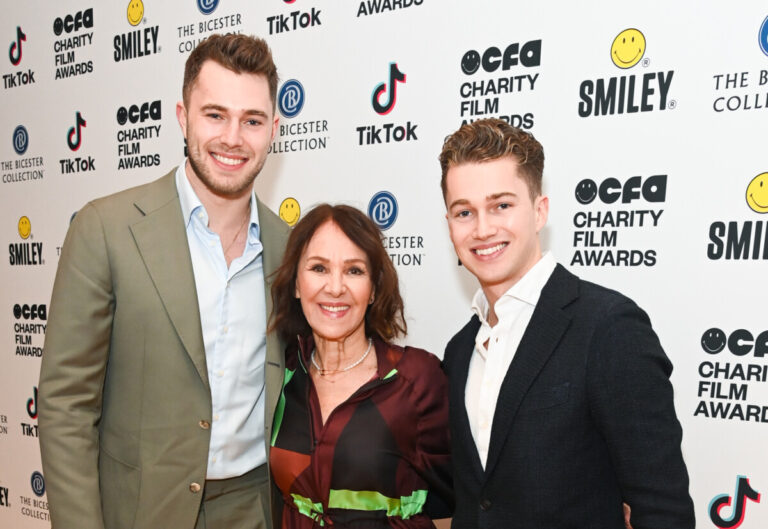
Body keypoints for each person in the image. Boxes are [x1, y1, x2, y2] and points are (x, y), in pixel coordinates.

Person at [38, 34, 289, 529]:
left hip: (256, 510)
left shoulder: (291, 248)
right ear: (182, 116)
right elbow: (65, 405)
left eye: (253, 120)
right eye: (215, 114)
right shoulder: (105, 229)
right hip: (138, 512)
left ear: (274, 130)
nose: (233, 138)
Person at [438, 118, 695, 529]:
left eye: (502, 205)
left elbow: (662, 510)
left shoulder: (609, 328)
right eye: (464, 212)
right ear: (449, 224)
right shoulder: (459, 350)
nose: (483, 229)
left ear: (540, 211)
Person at [269, 204, 452, 528]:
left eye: (354, 270)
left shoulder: (416, 380)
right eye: (318, 268)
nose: (336, 287)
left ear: (373, 289)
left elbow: (457, 502)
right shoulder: (283, 375)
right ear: (297, 283)